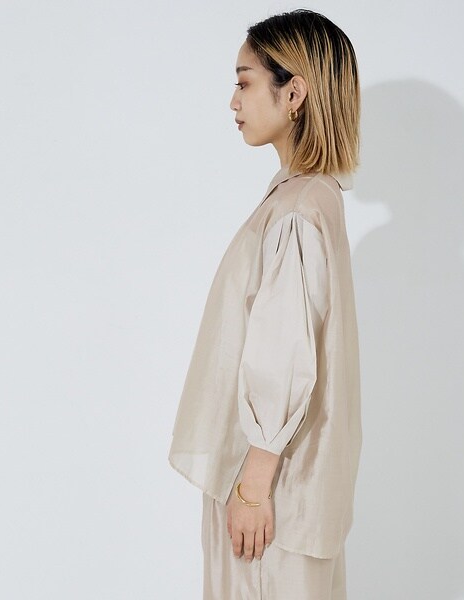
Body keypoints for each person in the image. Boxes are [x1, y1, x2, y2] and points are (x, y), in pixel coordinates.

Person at [168, 9, 362, 599]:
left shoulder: (298, 210)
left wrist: (253, 486)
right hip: (289, 491)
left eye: (245, 81)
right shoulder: (311, 198)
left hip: (271, 493)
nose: (234, 101)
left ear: (294, 92)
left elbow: (284, 356)